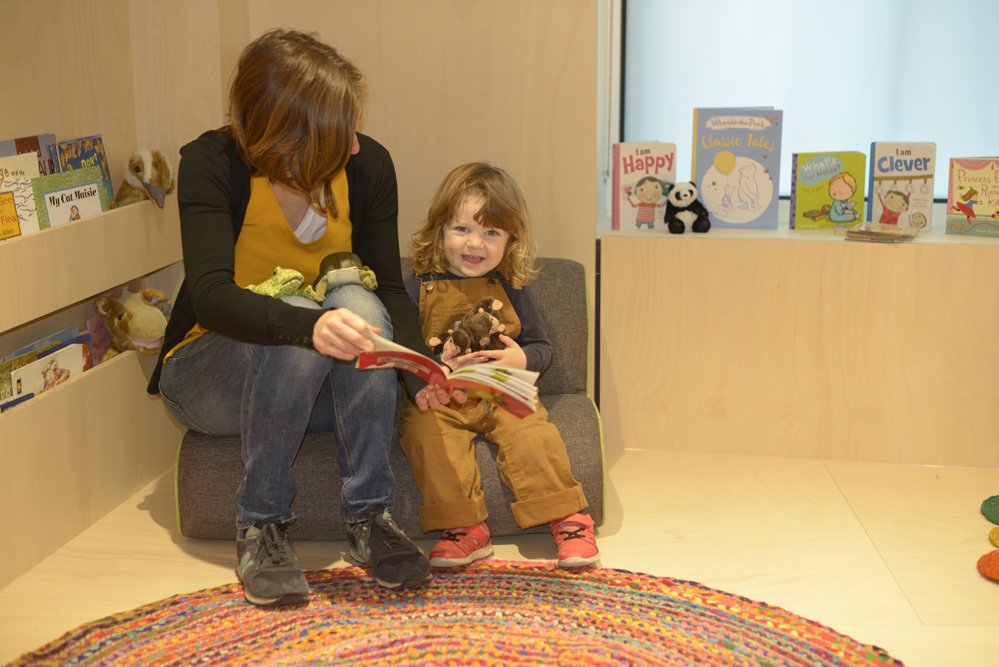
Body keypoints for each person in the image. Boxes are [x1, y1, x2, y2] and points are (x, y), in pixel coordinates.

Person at [147, 28, 432, 607]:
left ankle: (371, 517)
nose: (355, 145)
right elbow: (210, 296)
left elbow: (389, 287)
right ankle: (261, 524)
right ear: (291, 131)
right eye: (339, 130)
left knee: (360, 303)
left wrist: (421, 371)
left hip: (319, 387)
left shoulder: (369, 165)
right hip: (210, 374)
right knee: (303, 317)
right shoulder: (211, 162)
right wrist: (309, 328)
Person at [399, 162, 599, 569]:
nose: (475, 243)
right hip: (446, 399)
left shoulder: (512, 286)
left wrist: (520, 358)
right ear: (440, 230)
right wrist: (435, 370)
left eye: (491, 232)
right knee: (423, 431)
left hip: (504, 391)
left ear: (510, 241)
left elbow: (541, 348)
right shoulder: (416, 285)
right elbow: (409, 353)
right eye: (462, 229)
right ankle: (464, 528)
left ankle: (569, 519)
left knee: (531, 433)